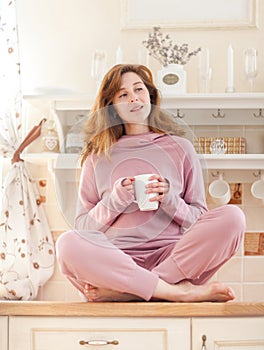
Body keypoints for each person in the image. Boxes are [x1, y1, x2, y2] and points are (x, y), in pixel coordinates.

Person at [56, 64, 246, 302]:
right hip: (117, 262)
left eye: (139, 89)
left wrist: (169, 201)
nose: (134, 98)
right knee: (67, 244)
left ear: (150, 96)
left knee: (233, 217)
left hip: (173, 261)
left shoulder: (180, 148)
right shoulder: (97, 156)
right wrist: (115, 201)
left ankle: (131, 291)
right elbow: (83, 228)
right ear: (112, 106)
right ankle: (173, 291)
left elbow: (198, 217)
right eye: (123, 94)